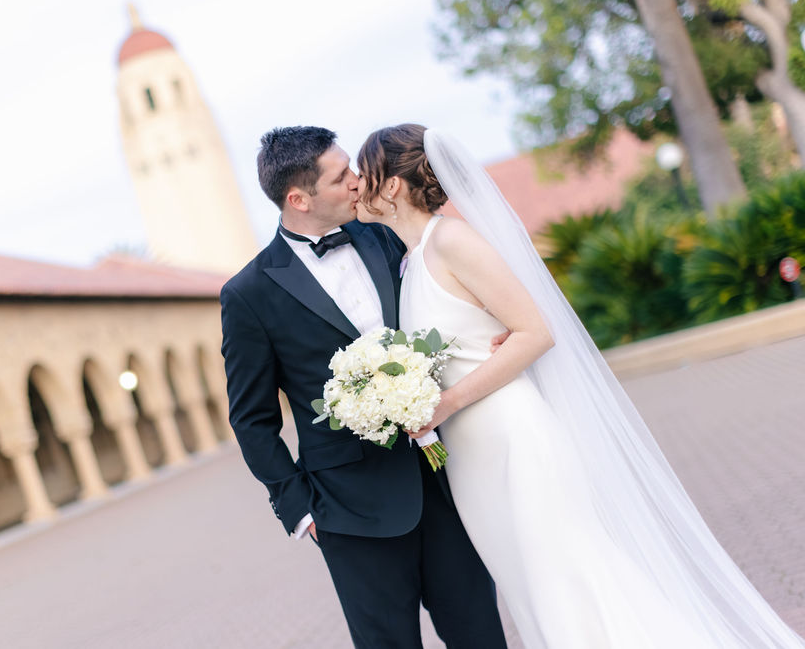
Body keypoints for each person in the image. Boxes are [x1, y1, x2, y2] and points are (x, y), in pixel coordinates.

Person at [354, 122, 805, 649]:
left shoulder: (452, 240)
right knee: (530, 591)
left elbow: (536, 331)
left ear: (391, 186)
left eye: (365, 172)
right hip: (470, 457)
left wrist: (446, 400)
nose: (357, 185)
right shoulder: (410, 261)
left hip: (514, 440)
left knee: (569, 584)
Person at [220, 126, 509, 648]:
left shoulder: (387, 234)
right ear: (298, 199)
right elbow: (251, 418)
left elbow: (450, 294)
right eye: (342, 176)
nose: (359, 182)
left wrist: (495, 328)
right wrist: (299, 509)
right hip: (349, 513)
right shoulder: (249, 293)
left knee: (481, 634)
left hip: (445, 477)